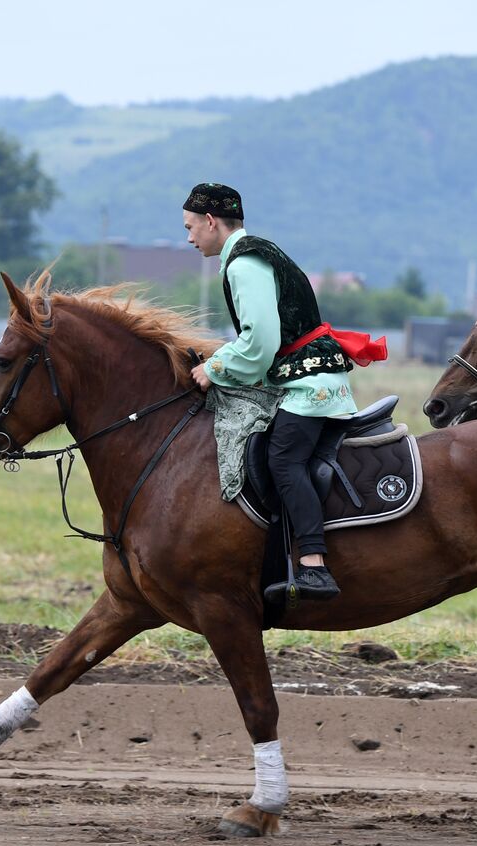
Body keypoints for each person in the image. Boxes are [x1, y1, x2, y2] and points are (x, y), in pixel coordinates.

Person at [184, 182, 385, 602]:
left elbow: (259, 344)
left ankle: (313, 565)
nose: (189, 238)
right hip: (307, 376)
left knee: (283, 458)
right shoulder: (255, 252)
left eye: (190, 227)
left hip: (309, 384)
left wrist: (214, 368)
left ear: (209, 221)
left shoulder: (242, 263)